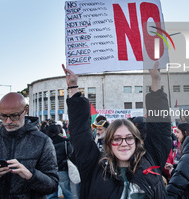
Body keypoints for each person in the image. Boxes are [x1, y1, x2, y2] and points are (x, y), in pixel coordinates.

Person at [62, 61, 172, 198]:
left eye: (129, 138)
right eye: (117, 139)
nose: (124, 143)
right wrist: (73, 86)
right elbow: (80, 134)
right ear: (108, 143)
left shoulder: (151, 160)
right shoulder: (95, 167)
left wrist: (156, 81)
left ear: (137, 140)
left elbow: (160, 129)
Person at [0, 92, 59, 199]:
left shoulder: (43, 141)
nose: (8, 121)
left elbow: (53, 185)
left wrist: (30, 176)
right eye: (3, 116)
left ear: (25, 111)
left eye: (14, 116)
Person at [46, 125, 74, 199]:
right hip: (62, 168)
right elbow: (70, 154)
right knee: (67, 191)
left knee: (51, 193)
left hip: (50, 170)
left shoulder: (46, 142)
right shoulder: (64, 142)